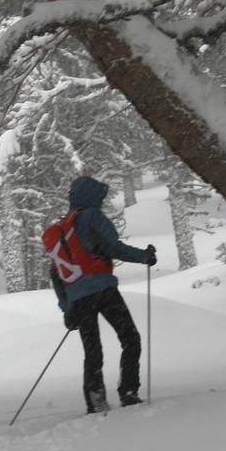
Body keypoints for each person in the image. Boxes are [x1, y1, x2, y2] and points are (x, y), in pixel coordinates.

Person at [47, 175, 157, 414]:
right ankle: (128, 392)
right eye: (100, 195)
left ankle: (96, 402)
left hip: (78, 297)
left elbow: (55, 273)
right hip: (102, 288)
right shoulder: (91, 217)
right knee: (130, 338)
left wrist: (67, 308)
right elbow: (112, 248)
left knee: (92, 350)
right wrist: (144, 256)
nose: (102, 199)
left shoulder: (63, 227)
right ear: (92, 196)